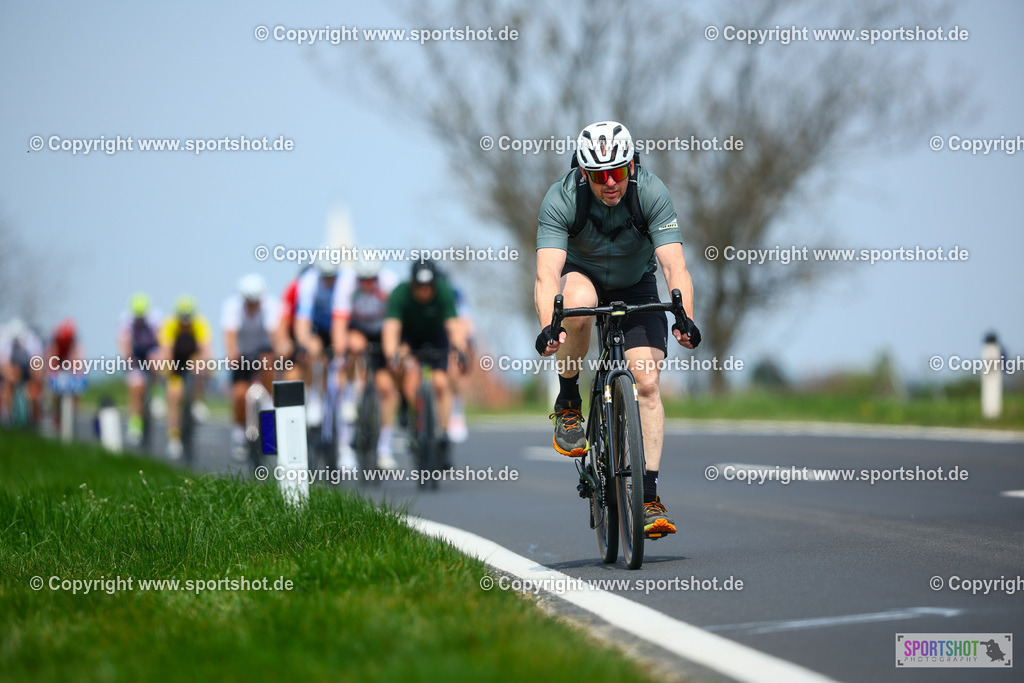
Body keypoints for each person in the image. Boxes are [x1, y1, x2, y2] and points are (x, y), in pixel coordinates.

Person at [534, 121, 700, 540]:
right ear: (582, 172)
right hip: (582, 276)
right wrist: (547, 328)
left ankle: (648, 498)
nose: (609, 183)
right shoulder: (562, 197)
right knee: (576, 307)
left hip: (636, 282)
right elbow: (546, 275)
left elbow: (674, 266)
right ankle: (570, 400)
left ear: (631, 164)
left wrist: (685, 317)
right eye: (597, 175)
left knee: (646, 380)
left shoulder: (651, 192)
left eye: (618, 172)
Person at [382, 259, 469, 468]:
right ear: (412, 283)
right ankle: (412, 413)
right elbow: (391, 329)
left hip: (436, 338)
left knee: (441, 382)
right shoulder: (400, 293)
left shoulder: (444, 291)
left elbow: (454, 327)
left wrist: (460, 349)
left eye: (428, 286)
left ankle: (443, 435)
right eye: (419, 286)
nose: (424, 291)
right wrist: (392, 354)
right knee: (410, 379)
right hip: (410, 340)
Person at [333, 251, 401, 469]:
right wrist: (340, 355)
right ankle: (351, 395)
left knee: (387, 389)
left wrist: (395, 352)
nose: (368, 284)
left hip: (384, 334)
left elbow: (399, 321)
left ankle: (384, 448)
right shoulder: (346, 285)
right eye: (363, 279)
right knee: (354, 345)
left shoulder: (391, 283)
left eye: (372, 279)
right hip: (358, 331)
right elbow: (339, 324)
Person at [222, 274, 280, 460]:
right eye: (249, 301)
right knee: (240, 395)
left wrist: (280, 351)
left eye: (256, 301)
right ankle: (240, 434)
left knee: (268, 361)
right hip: (242, 355)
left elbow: (275, 335)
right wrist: (232, 354)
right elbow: (229, 336)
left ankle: (270, 406)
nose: (253, 305)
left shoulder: (270, 305)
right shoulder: (232, 307)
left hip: (263, 351)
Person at [158, 295, 213, 459]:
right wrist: (167, 374)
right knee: (174, 395)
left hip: (192, 359)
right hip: (175, 361)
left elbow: (206, 349)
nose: (186, 323)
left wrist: (209, 369)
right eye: (183, 319)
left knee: (201, 365)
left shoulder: (200, 324)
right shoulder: (169, 325)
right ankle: (174, 437)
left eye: (188, 319)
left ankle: (197, 401)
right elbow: (166, 352)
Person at [117, 292, 162, 446]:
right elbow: (124, 344)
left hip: (151, 350)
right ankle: (134, 425)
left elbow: (162, 341)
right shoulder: (125, 319)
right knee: (135, 389)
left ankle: (157, 394)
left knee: (156, 362)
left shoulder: (156, 318)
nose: (140, 320)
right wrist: (130, 361)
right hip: (135, 354)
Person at [0, 318, 44, 426]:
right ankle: (8, 416)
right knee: (6, 386)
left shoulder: (31, 339)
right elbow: (4, 365)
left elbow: (37, 364)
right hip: (12, 365)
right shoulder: (4, 338)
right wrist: (12, 378)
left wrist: (34, 379)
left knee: (35, 388)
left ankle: (35, 418)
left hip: (27, 366)